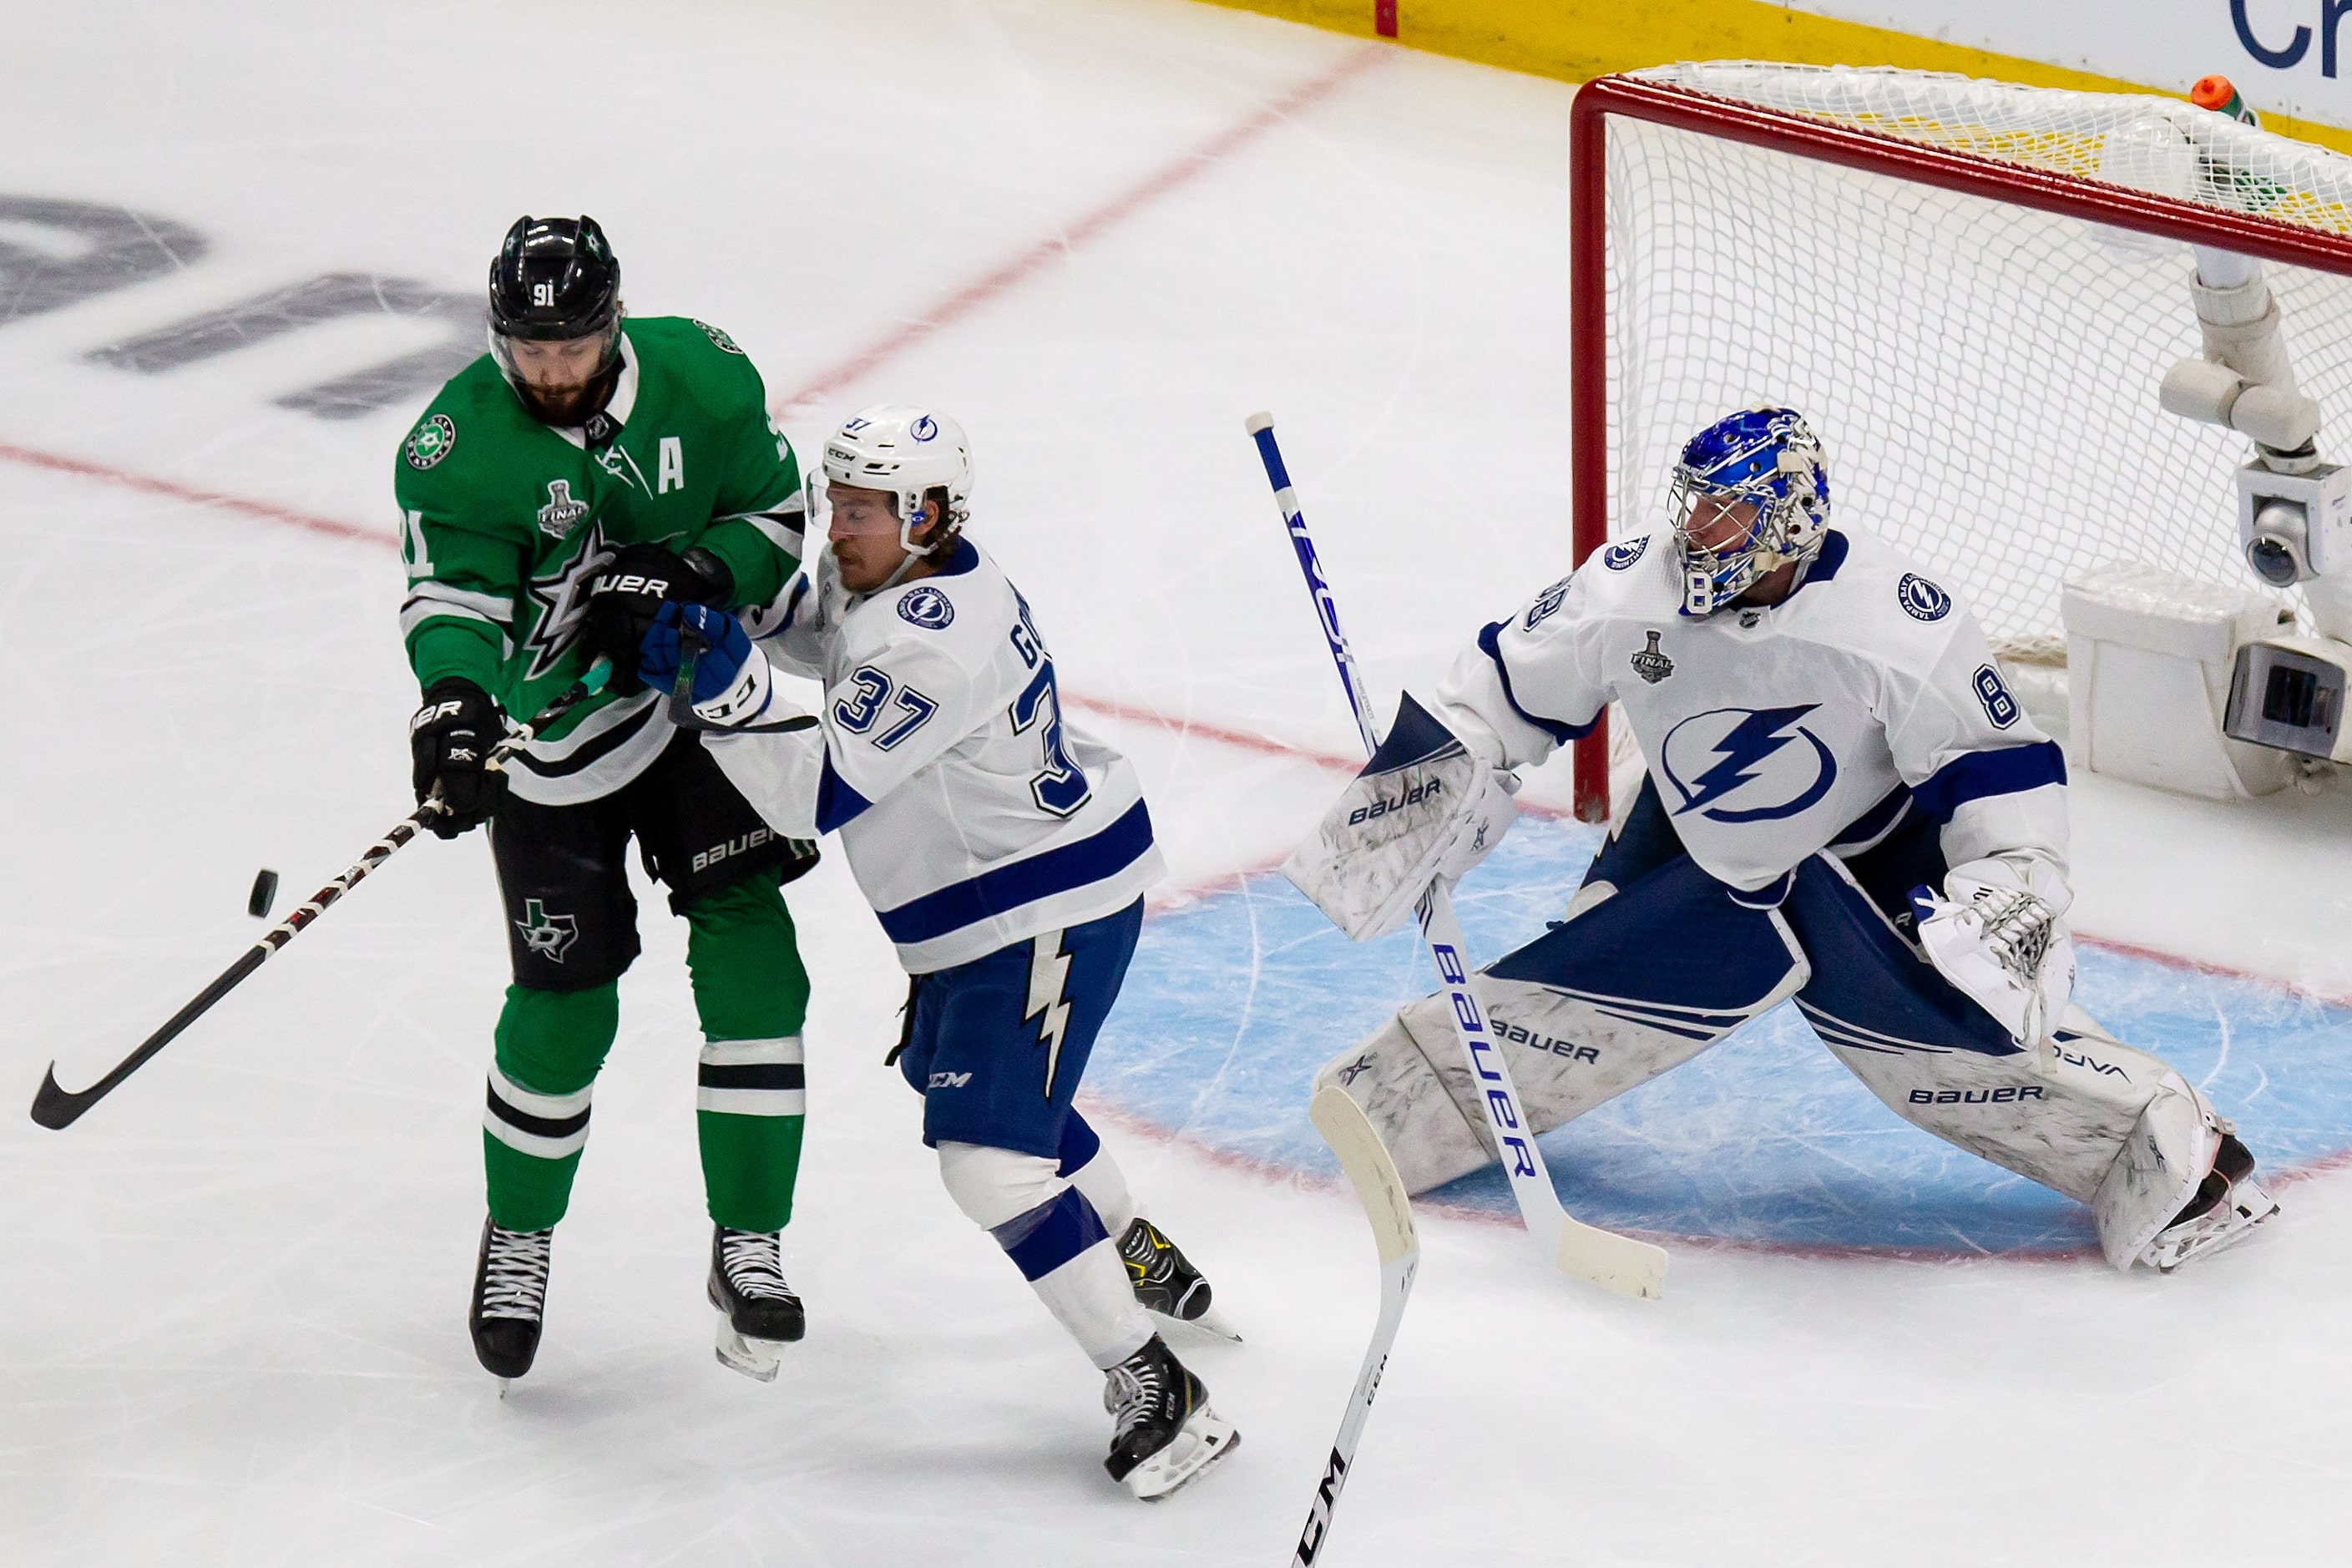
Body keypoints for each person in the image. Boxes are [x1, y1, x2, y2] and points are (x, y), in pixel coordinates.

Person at [1287, 406, 2278, 1272]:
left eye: (1727, 513)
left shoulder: (1897, 622)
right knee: (1576, 992)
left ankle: (2191, 1163)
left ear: (1794, 519)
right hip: (1686, 834)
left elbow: (1997, 765)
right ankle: (1413, 1109)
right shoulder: (1630, 589)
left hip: (1861, 861)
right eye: (1693, 506)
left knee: (1943, 1058)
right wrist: (1431, 786)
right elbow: (1506, 688)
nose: (1697, 531)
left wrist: (2011, 886)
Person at [638, 403, 1237, 1500]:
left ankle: (1156, 1385)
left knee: (989, 1157)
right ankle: (1127, 1247)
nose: (840, 526)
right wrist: (719, 602)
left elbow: (814, 793)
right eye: (840, 501)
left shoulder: (929, 638)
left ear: (927, 514)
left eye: (865, 508)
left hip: (1047, 906)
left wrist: (722, 683)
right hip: (994, 901)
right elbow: (825, 630)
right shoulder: (914, 579)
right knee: (983, 1100)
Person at [396, 215, 820, 1386]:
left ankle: (750, 1242)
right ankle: (519, 1234)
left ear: (612, 324)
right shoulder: (452, 447)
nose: (549, 371)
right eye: (527, 352)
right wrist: (457, 710)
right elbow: (454, 600)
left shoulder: (706, 376)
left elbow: (777, 525)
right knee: (566, 1006)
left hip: (684, 716)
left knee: (755, 950)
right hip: (551, 757)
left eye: (569, 348)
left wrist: (696, 571)